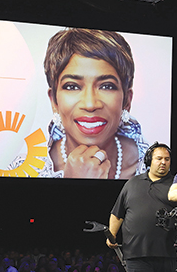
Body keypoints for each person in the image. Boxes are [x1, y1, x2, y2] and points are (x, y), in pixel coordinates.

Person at [10, 28, 148, 178]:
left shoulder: (156, 166)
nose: (90, 104)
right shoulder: (24, 170)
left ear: (127, 100)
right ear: (54, 100)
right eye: (72, 86)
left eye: (106, 86)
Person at [107, 142, 177, 272]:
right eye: (159, 158)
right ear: (149, 161)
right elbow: (117, 213)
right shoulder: (132, 183)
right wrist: (111, 234)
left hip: (168, 251)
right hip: (137, 251)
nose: (163, 162)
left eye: (166, 159)